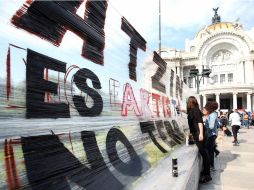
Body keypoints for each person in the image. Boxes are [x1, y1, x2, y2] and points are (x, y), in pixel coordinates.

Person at [180, 96, 211, 183]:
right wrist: (182, 110)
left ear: (190, 102)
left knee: (204, 153)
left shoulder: (195, 110)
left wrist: (201, 134)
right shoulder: (193, 110)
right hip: (196, 133)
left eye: (187, 102)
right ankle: (206, 172)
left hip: (198, 133)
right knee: (204, 153)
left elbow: (200, 122)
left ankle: (207, 175)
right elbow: (190, 115)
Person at [203, 102, 219, 170]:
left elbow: (211, 126)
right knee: (210, 150)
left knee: (210, 151)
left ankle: (211, 165)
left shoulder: (212, 115)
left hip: (211, 135)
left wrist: (205, 131)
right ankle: (211, 165)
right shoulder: (213, 114)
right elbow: (217, 125)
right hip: (212, 134)